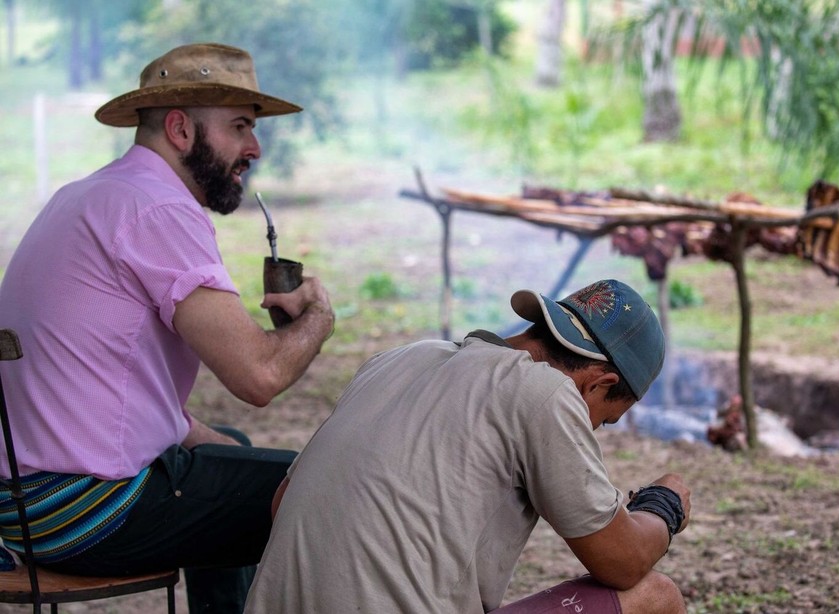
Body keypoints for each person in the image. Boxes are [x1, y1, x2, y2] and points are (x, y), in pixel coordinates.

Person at [0, 43, 335, 613]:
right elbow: (258, 376)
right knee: (338, 490)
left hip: (21, 500)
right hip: (80, 509)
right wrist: (318, 321)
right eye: (239, 127)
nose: (253, 148)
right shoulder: (157, 209)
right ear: (180, 129)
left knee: (234, 447)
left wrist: (220, 447)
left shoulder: (88, 195)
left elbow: (106, 381)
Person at [245, 278, 692, 614]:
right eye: (605, 419)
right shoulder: (546, 393)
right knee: (655, 597)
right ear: (601, 383)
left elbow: (282, 504)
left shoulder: (400, 358)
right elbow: (623, 562)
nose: (595, 429)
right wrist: (663, 504)